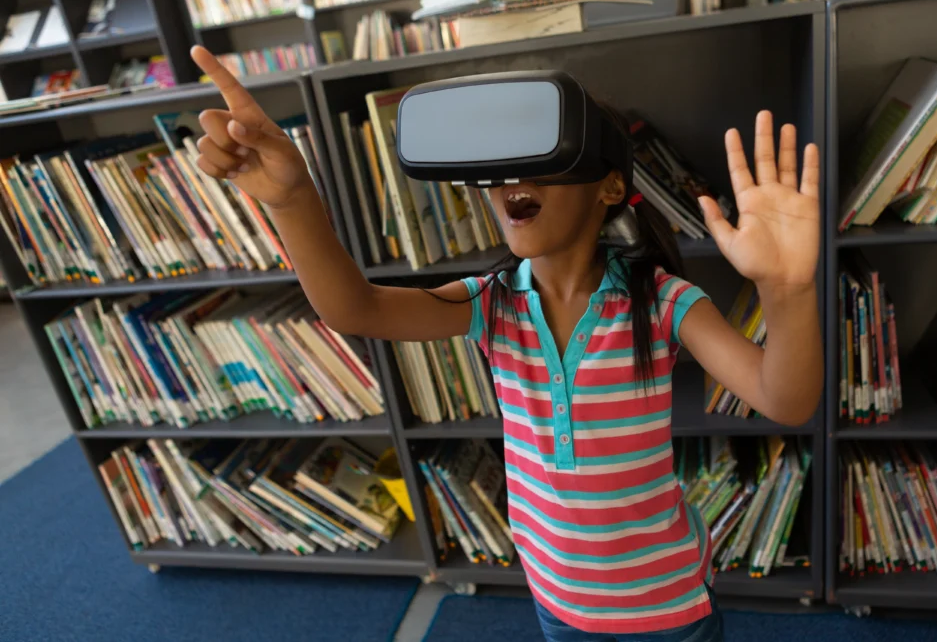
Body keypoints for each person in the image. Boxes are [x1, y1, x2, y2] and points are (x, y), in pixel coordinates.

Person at [189, 45, 823, 641]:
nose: (509, 179)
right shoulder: (490, 303)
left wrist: (787, 289)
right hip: (557, 599)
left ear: (608, 187)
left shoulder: (661, 302)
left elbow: (783, 400)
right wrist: (294, 199)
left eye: (542, 156)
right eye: (498, 167)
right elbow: (356, 308)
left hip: (666, 605)